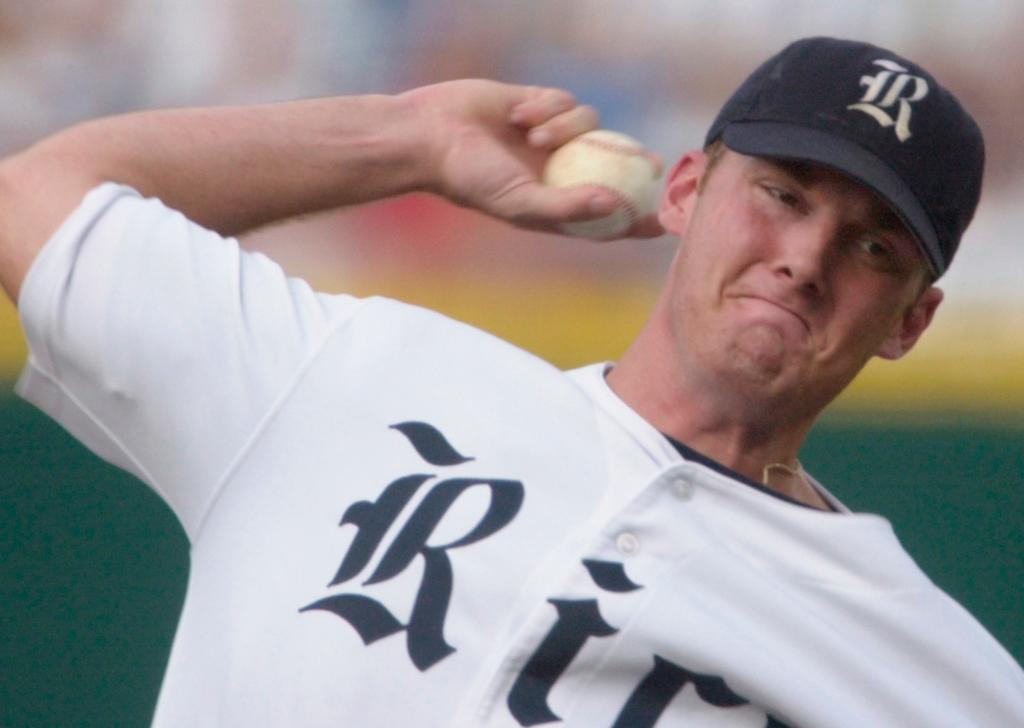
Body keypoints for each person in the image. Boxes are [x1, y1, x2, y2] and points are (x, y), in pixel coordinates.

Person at [1, 35, 1021, 727]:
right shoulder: (350, 377)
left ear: (912, 322)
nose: (803, 255)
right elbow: (32, 199)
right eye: (781, 192)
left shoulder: (918, 662)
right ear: (682, 190)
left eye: (873, 247)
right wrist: (408, 143)